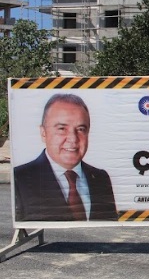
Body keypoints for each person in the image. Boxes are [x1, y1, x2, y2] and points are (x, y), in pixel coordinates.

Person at [14, 93, 117, 221]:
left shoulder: (101, 178)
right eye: (62, 128)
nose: (73, 139)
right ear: (43, 133)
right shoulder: (20, 178)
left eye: (80, 129)